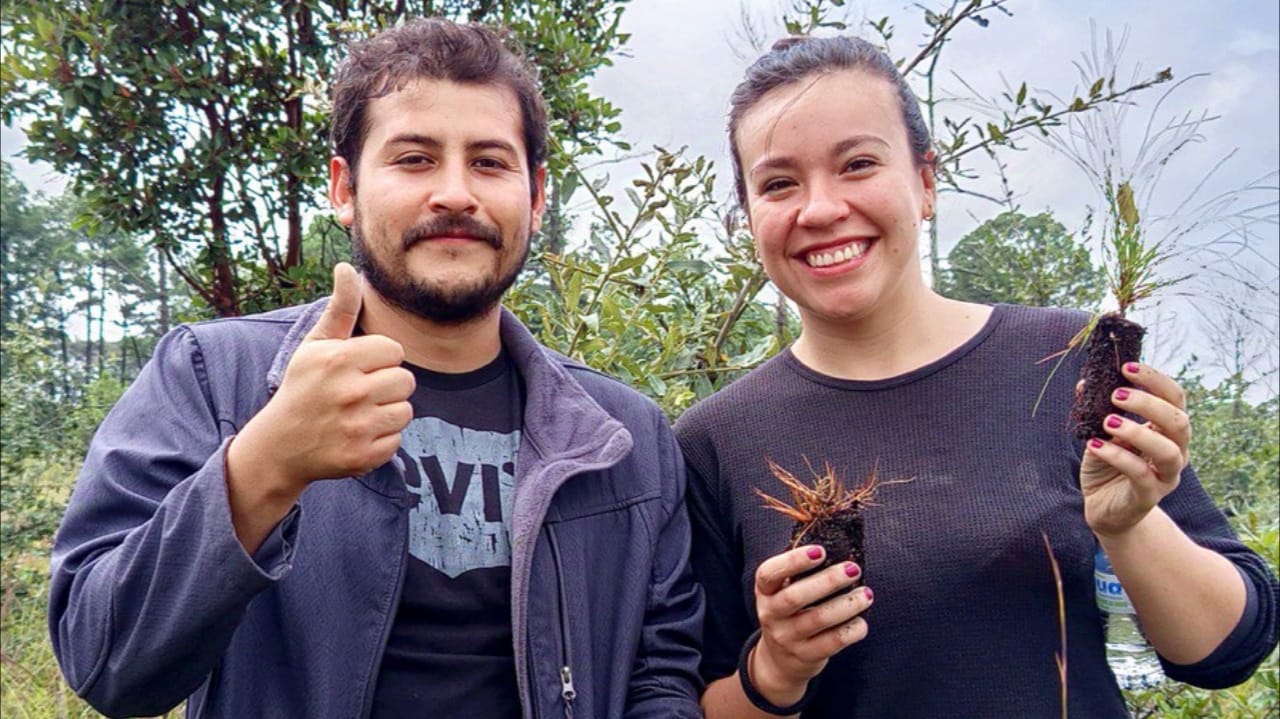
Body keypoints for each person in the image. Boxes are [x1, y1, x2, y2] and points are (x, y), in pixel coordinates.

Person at [47, 18, 702, 719]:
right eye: (414, 159)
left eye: (488, 161)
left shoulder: (623, 437)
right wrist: (266, 463)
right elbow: (104, 661)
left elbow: (661, 678)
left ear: (535, 196)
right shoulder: (215, 378)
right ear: (344, 187)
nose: (455, 193)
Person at [675, 35, 1278, 718]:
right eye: (779, 183)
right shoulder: (713, 440)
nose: (818, 208)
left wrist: (1130, 526)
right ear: (749, 215)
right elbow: (683, 700)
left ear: (926, 182)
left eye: (858, 163)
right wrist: (776, 666)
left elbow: (1228, 648)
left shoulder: (1067, 360)